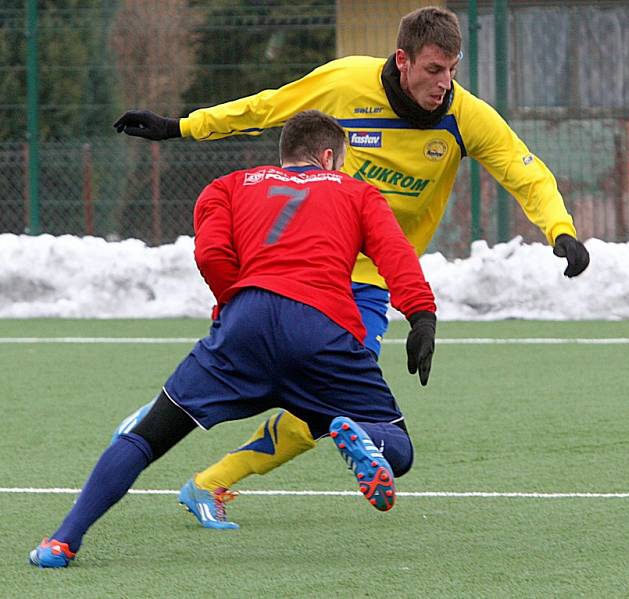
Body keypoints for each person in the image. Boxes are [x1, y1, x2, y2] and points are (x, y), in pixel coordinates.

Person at [111, 6, 590, 529]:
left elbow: (525, 171)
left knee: (327, 407)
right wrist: (181, 126)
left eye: (452, 70)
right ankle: (180, 436)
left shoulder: (465, 117)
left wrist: (559, 229)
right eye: (433, 69)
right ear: (402, 60)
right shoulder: (344, 83)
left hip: (369, 278)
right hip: (303, 264)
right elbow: (266, 109)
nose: (444, 83)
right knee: (322, 399)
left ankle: (191, 456)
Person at [29, 110, 437, 568]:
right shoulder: (357, 192)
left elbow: (210, 253)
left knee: (145, 437)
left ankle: (62, 541)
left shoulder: (228, 186)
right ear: (327, 157)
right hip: (322, 331)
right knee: (398, 448)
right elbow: (394, 254)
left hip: (244, 329)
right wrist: (421, 315)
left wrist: (237, 307)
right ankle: (362, 434)